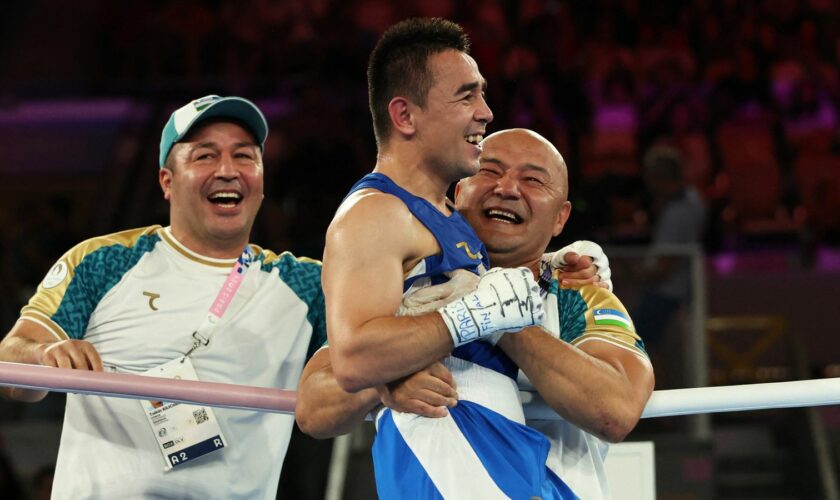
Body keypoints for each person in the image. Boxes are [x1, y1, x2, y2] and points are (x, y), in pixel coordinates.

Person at [307, 18, 606, 499]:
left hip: (500, 466)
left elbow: (454, 292)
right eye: (466, 97)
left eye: (482, 95)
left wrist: (551, 264)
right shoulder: (375, 215)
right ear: (405, 116)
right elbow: (353, 358)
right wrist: (472, 315)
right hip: (445, 471)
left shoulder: (445, 217)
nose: (485, 113)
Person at [298, 128, 654, 499]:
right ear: (458, 193)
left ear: (561, 217)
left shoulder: (575, 292)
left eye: (532, 179)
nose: (507, 188)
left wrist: (497, 317)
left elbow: (616, 409)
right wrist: (382, 382)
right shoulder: (415, 287)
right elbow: (312, 407)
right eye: (489, 171)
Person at [0, 95, 326, 499]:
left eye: (244, 156)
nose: (227, 170)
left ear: (261, 179)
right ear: (167, 182)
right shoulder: (104, 262)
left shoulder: (309, 286)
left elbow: (371, 356)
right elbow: (12, 360)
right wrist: (44, 358)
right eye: (205, 156)